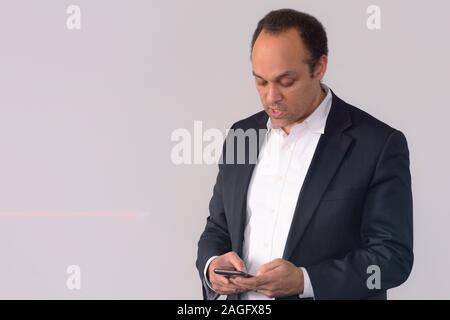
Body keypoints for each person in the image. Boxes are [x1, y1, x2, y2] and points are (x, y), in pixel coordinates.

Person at [196, 8, 413, 300]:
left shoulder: (378, 144)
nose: (271, 96)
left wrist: (305, 281)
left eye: (286, 82)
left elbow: (391, 258)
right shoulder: (241, 135)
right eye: (260, 81)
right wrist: (213, 267)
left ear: (319, 67)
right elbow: (217, 228)